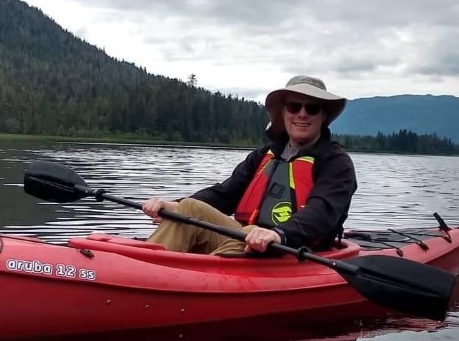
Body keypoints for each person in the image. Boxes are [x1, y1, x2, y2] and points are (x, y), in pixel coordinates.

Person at [141, 75, 357, 255]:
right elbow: (224, 194)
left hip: (295, 249)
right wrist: (173, 206)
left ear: (323, 116)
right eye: (294, 106)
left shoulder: (336, 162)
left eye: (312, 108)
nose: (301, 114)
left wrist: (279, 233)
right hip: (247, 238)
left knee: (250, 233)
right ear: (284, 112)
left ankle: (187, 285)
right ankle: (147, 267)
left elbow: (322, 212)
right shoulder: (265, 154)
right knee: (190, 207)